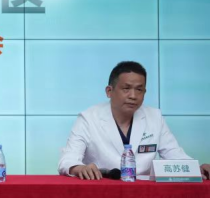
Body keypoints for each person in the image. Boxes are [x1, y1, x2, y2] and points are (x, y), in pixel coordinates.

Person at [58, 61, 210, 180]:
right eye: (126, 88)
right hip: (102, 190)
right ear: (109, 91)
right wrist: (79, 168)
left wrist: (198, 168)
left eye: (139, 89)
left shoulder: (155, 117)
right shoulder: (88, 118)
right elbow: (68, 159)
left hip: (144, 193)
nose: (133, 96)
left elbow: (175, 156)